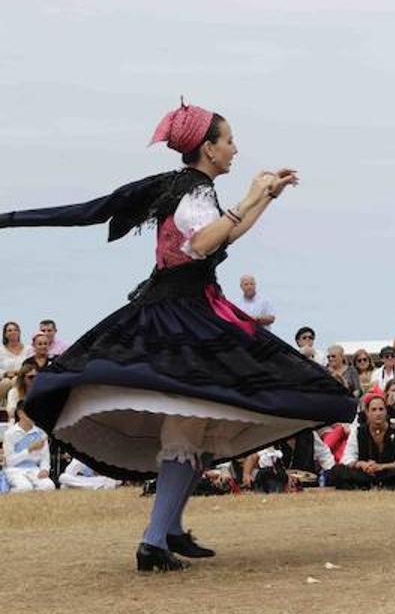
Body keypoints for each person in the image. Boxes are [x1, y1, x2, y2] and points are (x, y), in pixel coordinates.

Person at [1, 100, 355, 571]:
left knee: (201, 417)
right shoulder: (194, 192)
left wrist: (267, 197)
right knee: (191, 416)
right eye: (228, 140)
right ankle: (154, 539)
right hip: (181, 315)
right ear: (209, 149)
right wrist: (250, 195)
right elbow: (201, 243)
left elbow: (222, 236)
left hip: (187, 307)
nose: (234, 149)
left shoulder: (190, 189)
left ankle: (167, 529)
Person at [330, 394, 395, 489]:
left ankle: (382, 485)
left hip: (388, 472)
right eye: (374, 409)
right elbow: (347, 457)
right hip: (365, 474)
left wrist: (381, 467)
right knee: (337, 470)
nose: (378, 413)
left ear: (386, 412)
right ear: (367, 412)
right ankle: (369, 486)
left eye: (381, 409)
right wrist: (362, 465)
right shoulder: (358, 431)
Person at [3, 401, 55, 491]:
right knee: (25, 487)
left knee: (49, 486)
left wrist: (45, 469)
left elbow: (45, 457)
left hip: (34, 469)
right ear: (20, 414)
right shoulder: (10, 434)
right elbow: (10, 461)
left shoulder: (40, 433)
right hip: (14, 470)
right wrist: (29, 449)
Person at [1, 321, 26, 403]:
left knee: (15, 380)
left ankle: (16, 408)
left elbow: (31, 366)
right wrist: (5, 373)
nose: (13, 332)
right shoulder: (1, 350)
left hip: (22, 379)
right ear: (5, 334)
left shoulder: (28, 349)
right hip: (3, 379)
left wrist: (18, 372)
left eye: (15, 330)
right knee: (6, 382)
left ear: (19, 332)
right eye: (10, 330)